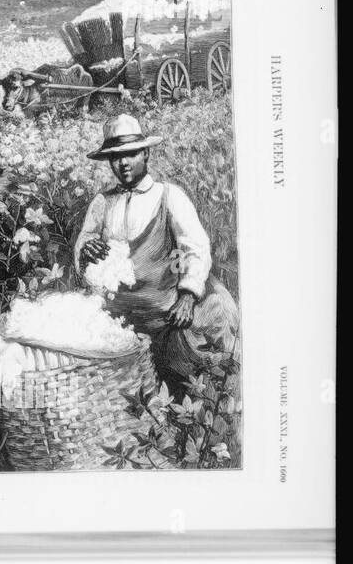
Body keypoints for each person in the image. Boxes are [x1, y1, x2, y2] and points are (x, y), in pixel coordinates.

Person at [73, 114, 240, 391]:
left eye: (130, 154)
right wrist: (85, 250)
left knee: (184, 380)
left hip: (163, 314)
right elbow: (84, 242)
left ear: (146, 154)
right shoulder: (102, 203)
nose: (123, 163)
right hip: (118, 319)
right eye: (116, 157)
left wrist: (187, 296)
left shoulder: (168, 196)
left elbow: (196, 247)